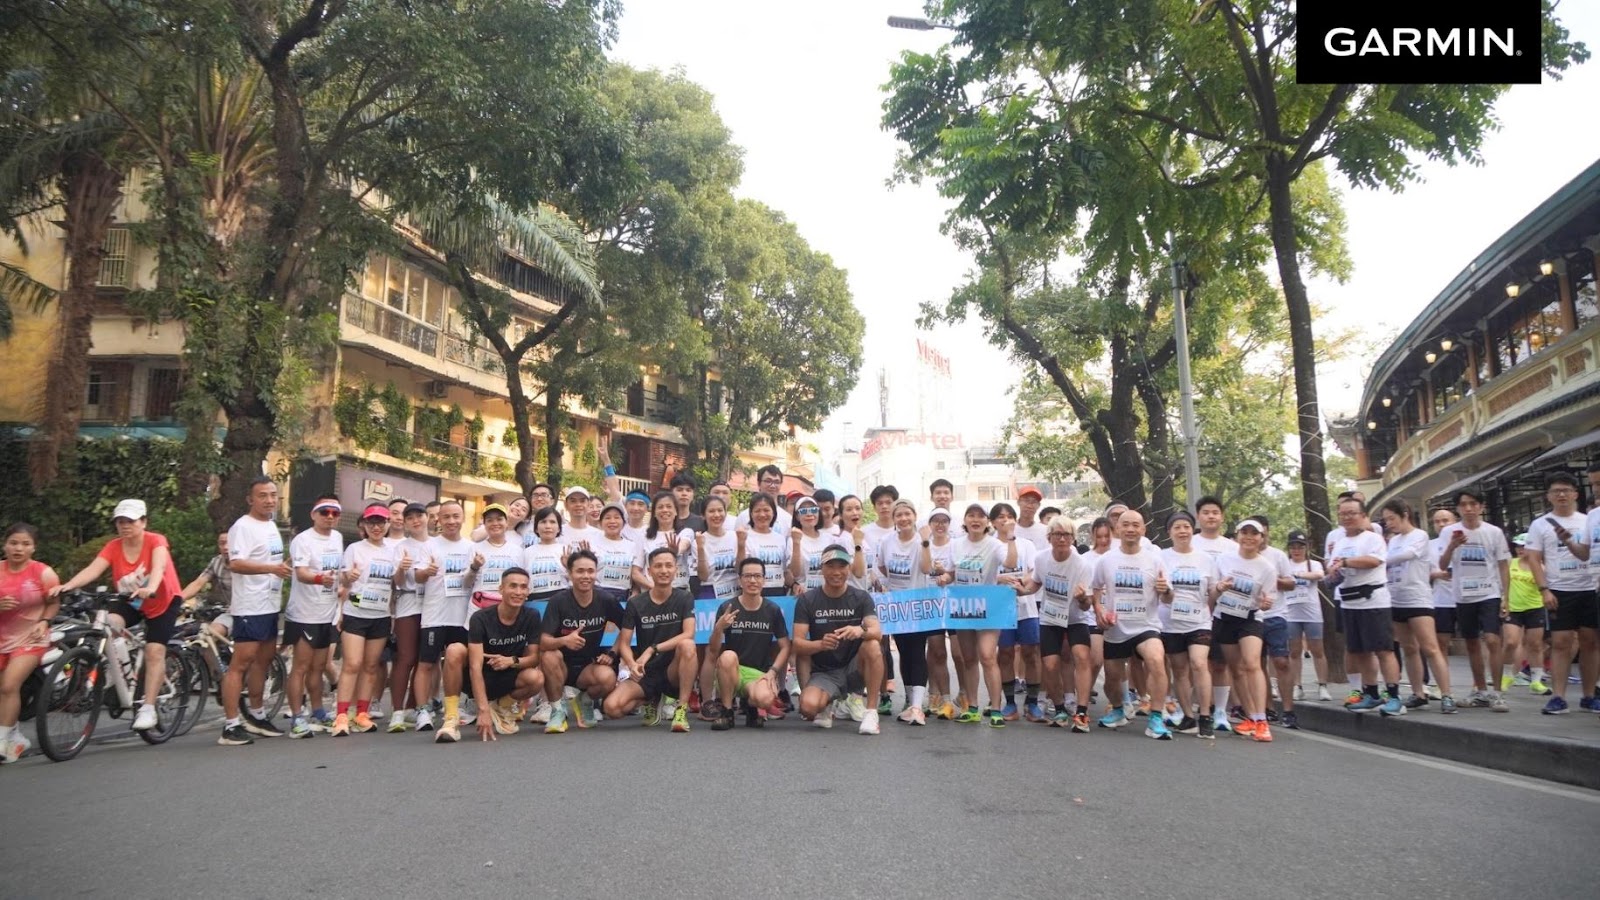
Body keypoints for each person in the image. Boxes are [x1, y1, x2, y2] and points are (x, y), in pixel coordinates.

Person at [53, 498, 187, 736]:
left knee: (154, 651)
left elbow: (159, 568)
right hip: (132, 600)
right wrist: (68, 586)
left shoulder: (156, 541)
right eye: (120, 522)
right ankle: (119, 676)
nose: (125, 526)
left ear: (143, 522)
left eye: (131, 521)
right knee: (109, 626)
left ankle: (148, 707)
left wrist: (151, 587)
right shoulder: (114, 546)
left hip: (163, 600)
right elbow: (93, 569)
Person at [1088, 509, 1173, 739]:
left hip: (1146, 625)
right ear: (1117, 529)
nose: (1130, 529)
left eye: (1136, 525)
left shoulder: (1155, 559)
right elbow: (1095, 589)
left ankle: (1156, 717)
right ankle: (1118, 709)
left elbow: (1168, 597)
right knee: (1112, 678)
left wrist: (1165, 592)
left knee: (1156, 659)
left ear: (1143, 530)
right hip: (1116, 628)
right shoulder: (1106, 560)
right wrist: (1099, 610)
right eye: (1126, 524)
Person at [332, 504, 410, 736]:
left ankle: (362, 713)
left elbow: (396, 582)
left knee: (371, 666)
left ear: (388, 525)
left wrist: (402, 570)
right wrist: (349, 577)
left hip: (381, 615)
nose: (376, 527)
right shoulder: (354, 549)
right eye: (371, 523)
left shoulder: (394, 551)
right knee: (352, 664)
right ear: (364, 525)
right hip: (356, 613)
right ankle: (342, 715)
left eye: (381, 522)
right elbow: (344, 580)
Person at [792, 545, 884, 735]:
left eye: (842, 566)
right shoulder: (807, 599)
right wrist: (820, 644)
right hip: (825, 671)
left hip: (853, 666)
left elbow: (876, 631)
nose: (836, 572)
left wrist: (860, 630)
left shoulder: (861, 597)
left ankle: (871, 712)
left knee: (873, 645)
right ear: (822, 569)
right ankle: (826, 704)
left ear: (849, 569)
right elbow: (798, 643)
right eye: (830, 566)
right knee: (808, 708)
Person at [1326, 497, 1405, 716]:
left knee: (1383, 649)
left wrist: (1345, 563)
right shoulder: (1340, 542)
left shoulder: (1373, 538)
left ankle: (1393, 695)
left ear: (1363, 515)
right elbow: (1335, 568)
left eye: (1352, 513)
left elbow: (1374, 561)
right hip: (1349, 602)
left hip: (1373, 601)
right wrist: (1332, 572)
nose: (1348, 517)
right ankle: (1370, 693)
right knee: (1359, 650)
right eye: (1343, 514)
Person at [1437, 489, 1513, 710]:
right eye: (1463, 505)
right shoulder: (1449, 532)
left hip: (1489, 592)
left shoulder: (1494, 532)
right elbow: (1442, 566)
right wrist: (1453, 546)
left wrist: (1505, 597)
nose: (1468, 508)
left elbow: (1502, 564)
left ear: (1481, 507)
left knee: (1492, 640)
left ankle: (1497, 693)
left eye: (1473, 504)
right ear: (1458, 509)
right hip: (1463, 595)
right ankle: (1480, 691)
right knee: (1471, 643)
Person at [606, 547, 697, 732]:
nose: (664, 570)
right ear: (649, 571)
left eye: (669, 566)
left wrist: (652, 649)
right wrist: (631, 664)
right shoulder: (636, 603)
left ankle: (681, 709)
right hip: (646, 670)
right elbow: (624, 642)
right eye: (658, 566)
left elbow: (689, 633)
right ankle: (650, 699)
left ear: (675, 570)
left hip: (674, 670)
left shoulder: (685, 597)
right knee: (611, 708)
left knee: (688, 645)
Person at [1528, 472, 1597, 714]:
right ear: (1548, 496)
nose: (1561, 495)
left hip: (1590, 588)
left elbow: (1588, 552)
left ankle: (1589, 696)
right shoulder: (1540, 524)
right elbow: (1534, 559)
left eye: (1566, 490)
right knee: (1560, 643)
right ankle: (1559, 697)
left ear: (1575, 494)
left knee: (1590, 642)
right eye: (1556, 491)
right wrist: (1544, 589)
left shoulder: (1588, 520)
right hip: (1559, 590)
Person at [1021, 517, 1097, 731]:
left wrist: (1082, 598)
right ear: (1049, 538)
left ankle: (1081, 712)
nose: (1062, 539)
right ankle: (1060, 708)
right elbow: (1035, 584)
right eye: (1057, 535)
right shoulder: (1041, 559)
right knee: (1050, 665)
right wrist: (1022, 590)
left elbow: (1086, 605)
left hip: (1075, 618)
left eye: (1067, 535)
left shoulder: (1082, 564)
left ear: (1073, 539)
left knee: (1082, 657)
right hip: (1050, 618)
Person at [1380, 499, 1456, 714]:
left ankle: (1446, 694)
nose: (1389, 523)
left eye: (1392, 518)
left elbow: (1408, 555)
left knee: (1430, 648)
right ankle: (1418, 693)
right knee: (1409, 648)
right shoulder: (1393, 541)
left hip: (1418, 598)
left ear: (1404, 514)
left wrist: (1380, 559)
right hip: (1396, 598)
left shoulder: (1419, 536)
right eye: (1386, 520)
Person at [539, 550, 625, 734]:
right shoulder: (558, 601)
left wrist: (612, 652)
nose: (586, 576)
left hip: (588, 667)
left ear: (596, 573)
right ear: (570, 574)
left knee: (607, 678)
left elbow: (626, 630)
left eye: (590, 571)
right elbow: (543, 641)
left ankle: (585, 701)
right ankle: (557, 711)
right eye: (580, 571)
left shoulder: (605, 599)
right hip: (561, 666)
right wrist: (565, 640)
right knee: (549, 655)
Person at [1211, 520, 1279, 742]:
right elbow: (1211, 591)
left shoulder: (1267, 567)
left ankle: (1262, 721)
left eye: (1254, 534)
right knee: (1236, 668)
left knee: (1252, 663)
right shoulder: (1223, 559)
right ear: (1238, 535)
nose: (1249, 537)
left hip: (1250, 618)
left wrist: (1267, 604)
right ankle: (1250, 716)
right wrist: (1220, 588)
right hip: (1225, 617)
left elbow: (1270, 598)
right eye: (1244, 533)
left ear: (1262, 538)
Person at [283, 495, 345, 737]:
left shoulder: (338, 538)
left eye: (335, 513)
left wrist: (344, 582)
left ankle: (317, 712)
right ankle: (297, 717)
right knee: (300, 667)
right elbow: (300, 573)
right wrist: (321, 578)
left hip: (326, 613)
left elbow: (339, 573)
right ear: (313, 514)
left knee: (319, 667)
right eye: (324, 512)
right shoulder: (303, 540)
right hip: (304, 614)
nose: (329, 517)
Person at [708, 558, 792, 730]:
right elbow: (713, 649)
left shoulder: (773, 610)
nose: (752, 581)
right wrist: (718, 629)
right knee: (727, 656)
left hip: (758, 674)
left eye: (757, 576)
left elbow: (785, 646)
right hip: (732, 671)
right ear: (740, 580)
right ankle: (727, 711)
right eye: (747, 576)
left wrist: (772, 672)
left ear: (764, 579)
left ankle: (751, 707)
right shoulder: (727, 607)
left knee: (765, 699)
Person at [0, 523, 60, 763]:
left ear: (33, 548)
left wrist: (44, 621)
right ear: (5, 544)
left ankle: (3, 741)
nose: (18, 548)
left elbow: (54, 602)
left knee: (9, 686)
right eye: (14, 543)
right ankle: (15, 737)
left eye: (25, 544)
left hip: (31, 638)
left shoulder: (43, 573)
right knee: (1, 690)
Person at [417, 500, 476, 739]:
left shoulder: (471, 547)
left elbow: (470, 581)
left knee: (459, 662)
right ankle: (423, 710)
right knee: (427, 663)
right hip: (434, 614)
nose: (451, 521)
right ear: (438, 520)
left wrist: (473, 569)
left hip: (461, 616)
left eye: (456, 516)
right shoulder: (428, 545)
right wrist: (425, 572)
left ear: (463, 518)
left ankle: (457, 705)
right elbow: (417, 578)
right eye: (446, 517)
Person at [465, 568, 546, 741]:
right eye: (513, 586)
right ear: (501, 589)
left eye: (523, 587)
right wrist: (483, 709)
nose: (518, 592)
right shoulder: (480, 618)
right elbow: (474, 667)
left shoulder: (532, 615)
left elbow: (534, 658)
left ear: (528, 592)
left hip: (509, 676)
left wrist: (512, 661)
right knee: (454, 651)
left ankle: (502, 706)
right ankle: (451, 718)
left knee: (536, 677)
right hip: (482, 677)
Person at [1159, 511, 1217, 738]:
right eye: (1177, 527)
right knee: (1179, 670)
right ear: (1169, 532)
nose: (1182, 531)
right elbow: (1162, 595)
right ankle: (1188, 716)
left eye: (1186, 526)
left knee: (1199, 663)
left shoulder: (1206, 559)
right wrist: (1167, 593)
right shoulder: (1162, 557)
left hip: (1199, 621)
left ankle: (1205, 716)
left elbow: (1212, 592)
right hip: (1171, 622)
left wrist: (1219, 590)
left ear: (1192, 530)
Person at [879, 499, 934, 724]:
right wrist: (886, 584)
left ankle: (918, 706)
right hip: (896, 604)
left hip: (918, 601)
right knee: (903, 652)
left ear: (914, 515)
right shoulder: (886, 541)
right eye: (898, 515)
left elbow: (927, 568)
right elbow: (882, 567)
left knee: (918, 652)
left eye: (907, 514)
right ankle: (911, 701)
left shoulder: (921, 540)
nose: (903, 519)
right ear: (894, 519)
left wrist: (926, 541)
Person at [386, 503, 435, 732]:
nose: (416, 521)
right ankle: (397, 711)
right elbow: (396, 582)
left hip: (434, 606)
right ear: (404, 523)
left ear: (428, 518)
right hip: (408, 604)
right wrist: (402, 569)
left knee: (425, 660)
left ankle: (414, 707)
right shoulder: (401, 547)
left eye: (419, 516)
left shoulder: (437, 544)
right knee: (405, 658)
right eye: (410, 518)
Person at [991, 502, 1041, 721]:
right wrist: (999, 579)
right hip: (1000, 608)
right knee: (1005, 654)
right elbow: (983, 576)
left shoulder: (1026, 545)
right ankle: (1010, 703)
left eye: (1009, 516)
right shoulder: (988, 545)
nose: (1005, 520)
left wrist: (1022, 583)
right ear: (992, 522)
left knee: (1031, 653)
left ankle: (1032, 702)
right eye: (1000, 517)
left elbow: (1033, 571)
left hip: (1026, 605)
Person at [920, 507, 964, 719]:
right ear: (930, 524)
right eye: (935, 521)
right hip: (932, 605)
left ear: (949, 524)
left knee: (960, 653)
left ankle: (964, 693)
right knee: (937, 652)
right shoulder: (923, 544)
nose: (940, 524)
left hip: (955, 605)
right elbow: (922, 568)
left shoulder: (956, 545)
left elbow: (960, 571)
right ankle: (941, 697)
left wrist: (947, 575)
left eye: (944, 521)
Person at [1282, 530, 1331, 710]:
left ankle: (1322, 685)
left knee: (1318, 650)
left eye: (1300, 547)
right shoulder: (1284, 564)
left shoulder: (1314, 564)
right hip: (1291, 613)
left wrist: (1298, 575)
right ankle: (1297, 685)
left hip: (1312, 613)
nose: (1296, 550)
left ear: (1306, 548)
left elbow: (1318, 576)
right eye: (1293, 547)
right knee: (1294, 652)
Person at [1501, 534, 1550, 699]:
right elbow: (1504, 584)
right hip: (1513, 608)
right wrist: (1504, 600)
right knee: (1510, 642)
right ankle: (1507, 675)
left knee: (1535, 644)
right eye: (1517, 546)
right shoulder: (1510, 563)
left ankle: (1536, 681)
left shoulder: (1541, 567)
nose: (1520, 549)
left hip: (1535, 608)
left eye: (1524, 546)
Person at [592, 502, 647, 599]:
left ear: (623, 522)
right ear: (600, 523)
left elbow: (635, 574)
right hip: (597, 594)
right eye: (607, 518)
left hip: (623, 596)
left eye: (617, 517)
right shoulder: (592, 544)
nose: (612, 521)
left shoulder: (632, 546)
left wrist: (635, 593)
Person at [644, 492, 695, 592]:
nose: (665, 510)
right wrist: (654, 588)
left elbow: (683, 545)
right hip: (653, 590)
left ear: (676, 511)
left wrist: (675, 551)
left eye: (669, 506)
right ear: (654, 512)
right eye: (660, 507)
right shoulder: (645, 535)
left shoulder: (685, 532)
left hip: (679, 590)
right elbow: (637, 570)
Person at [522, 507, 571, 601]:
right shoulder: (527, 552)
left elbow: (574, 580)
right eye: (543, 522)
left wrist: (569, 567)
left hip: (562, 600)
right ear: (536, 528)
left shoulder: (566, 550)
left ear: (559, 528)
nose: (548, 526)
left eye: (552, 522)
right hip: (534, 601)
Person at [736, 466, 792, 532]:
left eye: (777, 482)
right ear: (759, 483)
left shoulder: (788, 519)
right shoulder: (744, 517)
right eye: (768, 481)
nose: (772, 486)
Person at [561, 486, 604, 555]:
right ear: (566, 505)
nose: (578, 504)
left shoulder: (599, 534)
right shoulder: (558, 532)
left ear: (588, 504)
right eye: (573, 501)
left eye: (582, 501)